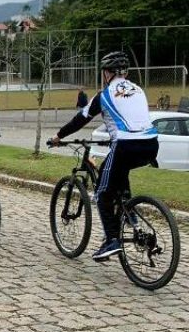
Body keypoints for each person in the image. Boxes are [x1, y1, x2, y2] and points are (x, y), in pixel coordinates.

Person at [51, 51, 158, 261]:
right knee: (118, 173)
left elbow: (79, 120)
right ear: (125, 72)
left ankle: (112, 241)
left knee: (101, 193)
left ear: (106, 73)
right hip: (151, 145)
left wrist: (58, 136)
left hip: (125, 146)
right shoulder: (139, 90)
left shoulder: (105, 95)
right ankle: (131, 216)